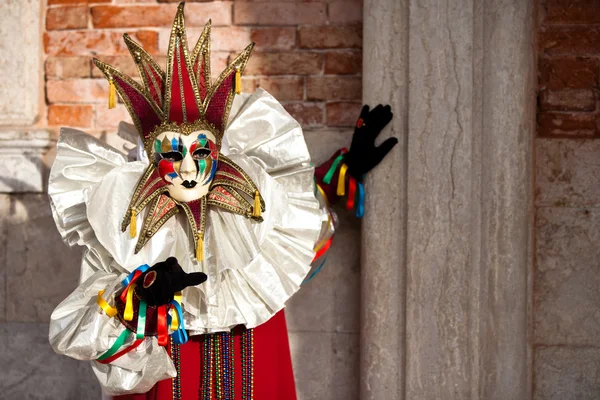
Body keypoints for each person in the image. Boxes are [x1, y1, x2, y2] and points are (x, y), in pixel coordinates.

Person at [48, 3, 397, 399]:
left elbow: (298, 221)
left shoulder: (251, 210)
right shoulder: (124, 222)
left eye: (200, 153)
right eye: (171, 155)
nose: (187, 169)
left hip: (255, 371)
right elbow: (90, 327)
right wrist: (142, 296)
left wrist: (343, 169)